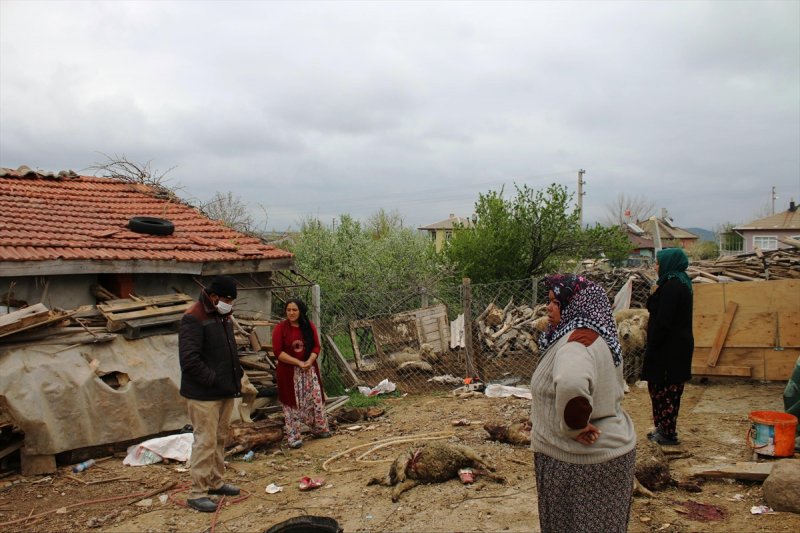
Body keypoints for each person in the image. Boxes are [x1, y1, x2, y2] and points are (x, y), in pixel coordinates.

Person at [530, 274, 636, 533]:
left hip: (579, 465)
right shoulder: (598, 335)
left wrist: (574, 426)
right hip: (609, 455)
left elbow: (570, 383)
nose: (549, 308)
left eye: (556, 302)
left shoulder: (576, 343)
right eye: (549, 301)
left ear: (576, 304)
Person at [179, 276, 243, 513]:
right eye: (227, 299)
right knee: (205, 441)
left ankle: (216, 482)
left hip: (224, 390)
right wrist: (213, 380)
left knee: (219, 438)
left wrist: (235, 374)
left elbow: (227, 350)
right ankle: (197, 493)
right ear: (214, 296)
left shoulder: (222, 315)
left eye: (232, 300)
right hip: (204, 395)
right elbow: (189, 360)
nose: (229, 304)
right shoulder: (193, 317)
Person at [642, 248, 694, 446]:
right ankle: (663, 429)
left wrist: (653, 344)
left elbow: (664, 320)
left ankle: (668, 433)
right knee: (662, 389)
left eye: (658, 263)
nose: (656, 267)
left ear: (668, 263)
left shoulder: (672, 286)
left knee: (666, 391)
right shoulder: (679, 283)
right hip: (673, 347)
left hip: (668, 349)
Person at [272, 298, 331, 449]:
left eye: (294, 310)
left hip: (308, 370)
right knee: (291, 404)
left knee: (315, 398)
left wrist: (309, 361)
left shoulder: (309, 326)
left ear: (301, 311)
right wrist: (298, 362)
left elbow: (316, 347)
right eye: (288, 310)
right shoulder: (280, 328)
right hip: (289, 372)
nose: (291, 313)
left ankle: (319, 429)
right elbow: (278, 352)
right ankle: (294, 437)